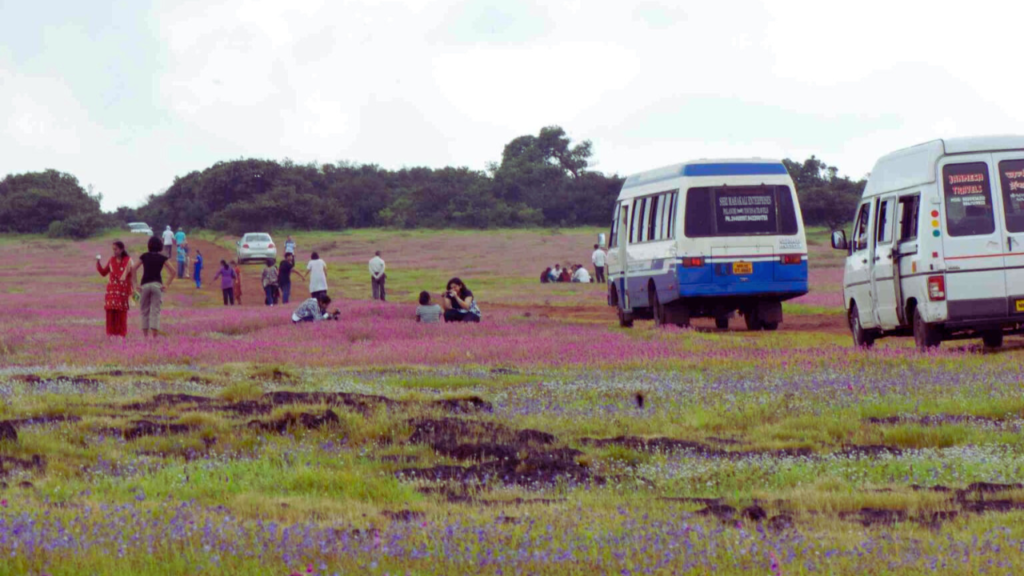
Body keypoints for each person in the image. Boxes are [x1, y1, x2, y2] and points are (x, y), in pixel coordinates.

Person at [131, 236, 176, 337]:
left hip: (144, 285)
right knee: (155, 310)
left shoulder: (144, 256)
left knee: (144, 310)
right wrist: (167, 284)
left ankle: (145, 336)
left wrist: (135, 284)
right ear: (160, 246)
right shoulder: (163, 258)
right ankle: (154, 336)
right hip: (157, 285)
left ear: (149, 245)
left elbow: (133, 268)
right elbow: (173, 272)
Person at [95, 240, 134, 338]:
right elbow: (104, 273)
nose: (114, 251)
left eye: (116, 249)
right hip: (112, 290)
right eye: (113, 249)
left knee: (121, 313)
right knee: (110, 312)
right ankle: (111, 334)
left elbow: (132, 275)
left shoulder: (128, 260)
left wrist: (132, 289)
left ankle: (121, 334)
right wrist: (98, 263)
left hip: (123, 290)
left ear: (121, 249)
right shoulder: (111, 260)